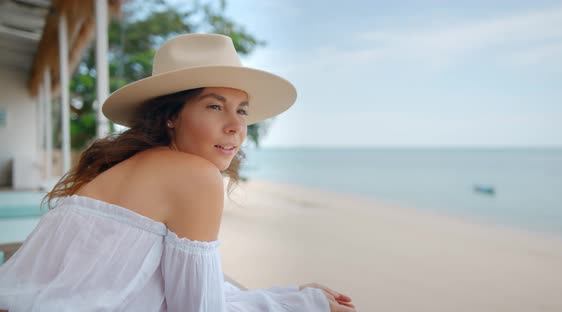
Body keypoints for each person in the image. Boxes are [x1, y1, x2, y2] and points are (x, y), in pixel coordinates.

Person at [0, 34, 356, 311]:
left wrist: (293, 296)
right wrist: (301, 304)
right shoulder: (195, 174)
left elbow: (178, 294)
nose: (235, 126)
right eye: (215, 106)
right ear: (171, 116)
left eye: (242, 111)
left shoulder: (133, 166)